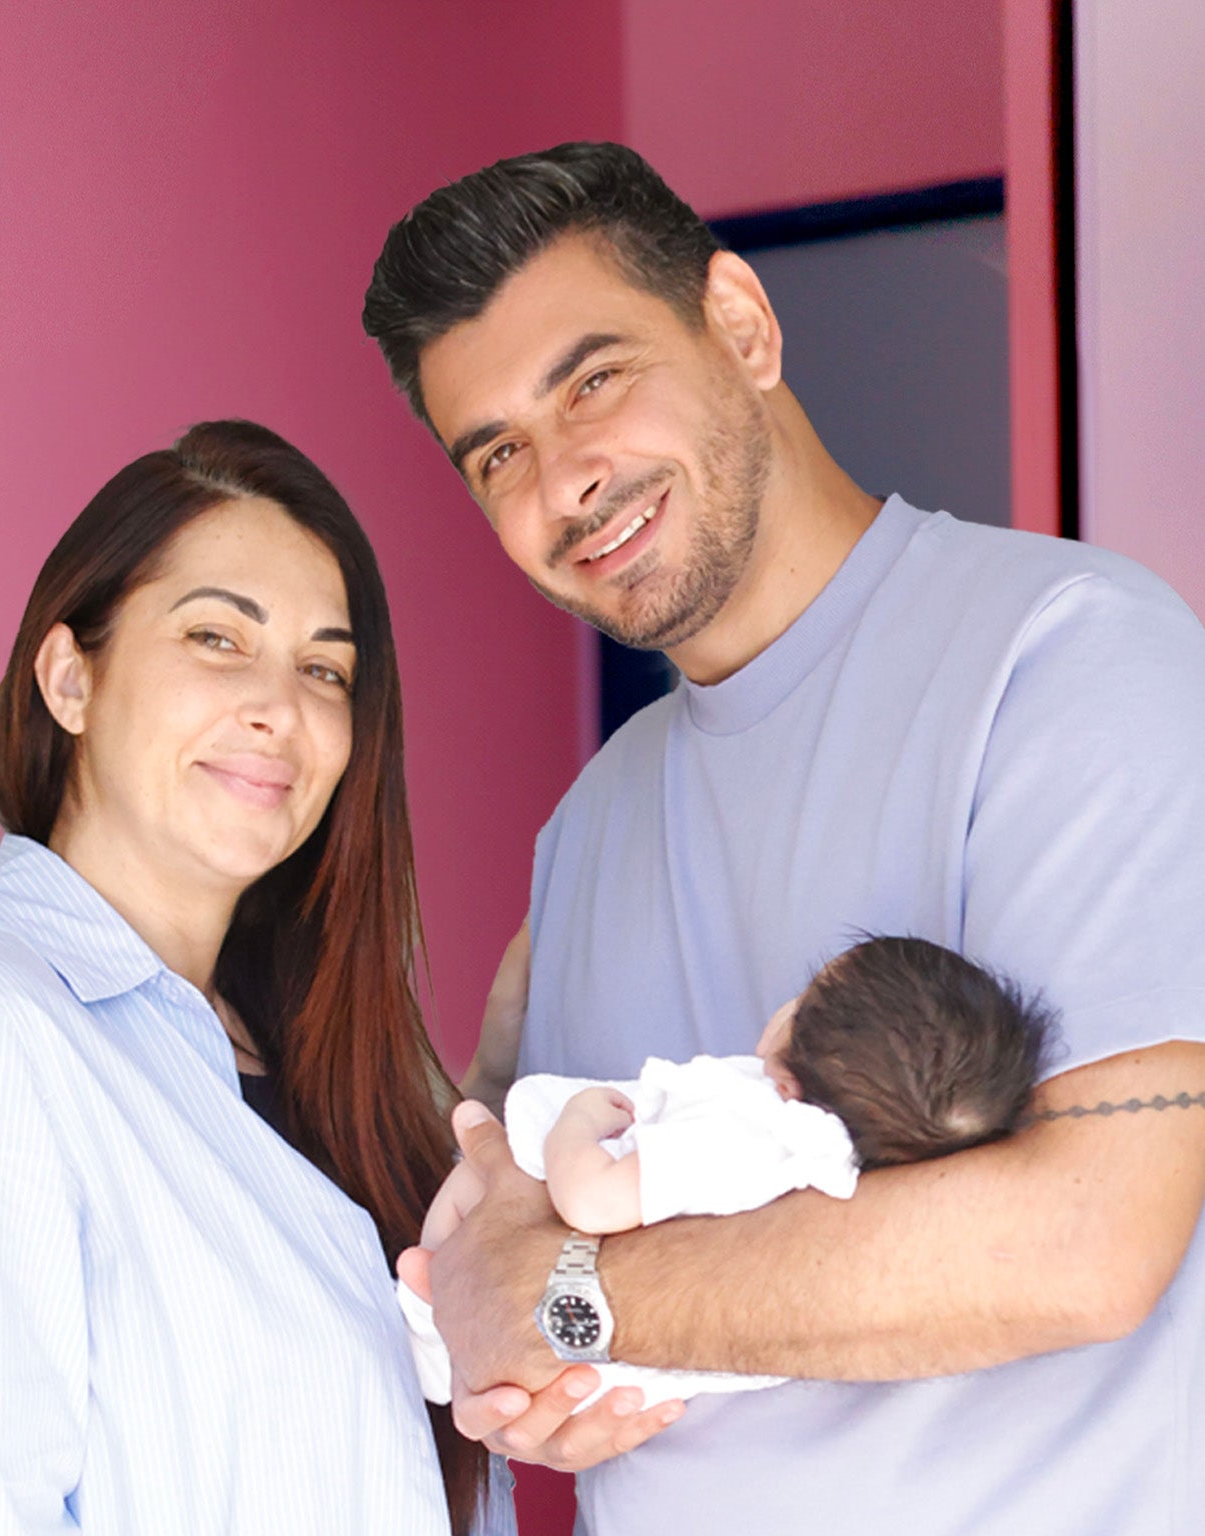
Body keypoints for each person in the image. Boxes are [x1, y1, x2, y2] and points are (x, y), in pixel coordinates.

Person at [358, 140, 1205, 1532]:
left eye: (595, 380)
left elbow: (1089, 1243)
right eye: (499, 451)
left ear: (742, 326)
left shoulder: (1068, 657)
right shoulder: (586, 833)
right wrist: (535, 1382)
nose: (566, 477)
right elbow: (521, 1280)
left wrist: (555, 1302)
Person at [0, 421, 509, 1533]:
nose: (282, 707)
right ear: (69, 677)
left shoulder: (332, 1058)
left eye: (325, 668)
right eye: (217, 638)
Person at [401, 934, 1057, 1410]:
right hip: (567, 1348)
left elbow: (593, 1202)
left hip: (520, 1304)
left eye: (804, 999)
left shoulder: (748, 1133)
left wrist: (577, 1121)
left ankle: (421, 1316)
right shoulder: (834, 1168)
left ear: (788, 1077)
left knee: (473, 1191)